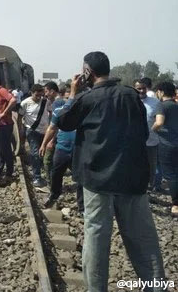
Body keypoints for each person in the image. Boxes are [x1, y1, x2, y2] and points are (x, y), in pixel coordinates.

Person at [56, 51, 164, 291]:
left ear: (87, 72)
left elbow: (63, 122)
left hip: (98, 180)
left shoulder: (87, 99)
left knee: (96, 237)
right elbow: (143, 133)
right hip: (132, 178)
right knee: (144, 239)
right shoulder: (130, 95)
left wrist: (73, 93)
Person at [39, 98, 84, 212]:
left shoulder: (79, 112)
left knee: (80, 178)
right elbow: (52, 129)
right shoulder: (58, 113)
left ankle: (82, 206)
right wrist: (45, 144)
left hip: (77, 150)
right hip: (62, 149)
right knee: (56, 173)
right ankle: (54, 195)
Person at [152, 81, 178, 217]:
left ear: (161, 92)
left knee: (170, 174)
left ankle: (175, 204)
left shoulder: (161, 105)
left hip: (167, 144)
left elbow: (159, 122)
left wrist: (153, 129)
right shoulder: (176, 105)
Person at [134, 78, 163, 192]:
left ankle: (149, 189)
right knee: (136, 167)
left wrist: (151, 131)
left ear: (147, 88)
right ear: (134, 89)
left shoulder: (155, 102)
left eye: (143, 88)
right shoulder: (130, 101)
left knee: (151, 168)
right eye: (138, 88)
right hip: (134, 142)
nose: (141, 91)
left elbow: (159, 120)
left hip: (151, 141)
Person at [19, 84, 51, 187]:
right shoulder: (25, 103)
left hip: (45, 132)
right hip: (32, 131)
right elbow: (20, 117)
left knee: (44, 153)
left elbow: (51, 113)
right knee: (35, 153)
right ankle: (37, 177)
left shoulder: (46, 102)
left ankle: (45, 172)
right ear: (31, 93)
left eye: (40, 95)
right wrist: (20, 130)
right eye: (36, 95)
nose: (39, 98)